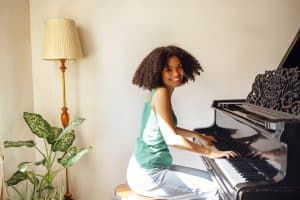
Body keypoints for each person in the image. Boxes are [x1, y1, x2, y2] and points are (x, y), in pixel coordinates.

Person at [127, 45, 239, 200]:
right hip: (148, 174)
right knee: (216, 190)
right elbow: (172, 139)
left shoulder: (159, 91)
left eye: (179, 67)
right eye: (168, 69)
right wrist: (211, 152)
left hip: (146, 168)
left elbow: (166, 127)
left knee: (216, 181)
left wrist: (196, 135)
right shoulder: (161, 93)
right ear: (158, 71)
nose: (176, 73)